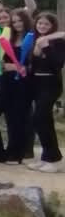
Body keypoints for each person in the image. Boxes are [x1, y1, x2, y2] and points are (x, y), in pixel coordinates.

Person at [0, 9, 34, 164]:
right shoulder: (8, 37)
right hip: (5, 82)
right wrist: (4, 65)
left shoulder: (33, 39)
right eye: (15, 21)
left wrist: (21, 68)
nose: (17, 24)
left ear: (26, 21)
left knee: (16, 119)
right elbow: (2, 62)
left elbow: (35, 65)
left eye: (20, 21)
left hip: (23, 85)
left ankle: (15, 154)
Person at [28, 12, 65, 172]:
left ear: (52, 26)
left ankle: (54, 159)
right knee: (42, 120)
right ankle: (47, 157)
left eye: (46, 24)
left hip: (51, 84)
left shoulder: (58, 42)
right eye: (40, 23)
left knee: (40, 118)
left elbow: (57, 64)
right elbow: (33, 65)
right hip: (37, 84)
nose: (42, 26)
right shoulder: (35, 40)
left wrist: (46, 47)